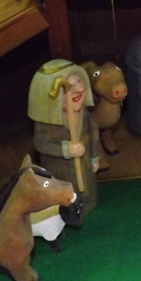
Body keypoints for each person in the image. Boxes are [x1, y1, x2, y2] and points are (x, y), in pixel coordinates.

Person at [28, 59, 99, 215]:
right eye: (68, 88)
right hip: (61, 170)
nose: (78, 89)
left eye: (79, 82)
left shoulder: (85, 114)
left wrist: (94, 157)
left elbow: (93, 133)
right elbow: (41, 143)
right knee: (66, 196)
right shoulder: (46, 122)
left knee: (88, 189)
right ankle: (69, 213)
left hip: (85, 165)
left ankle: (88, 203)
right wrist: (66, 149)